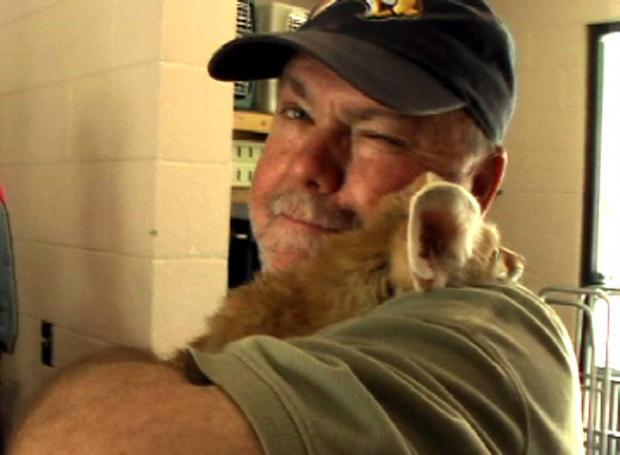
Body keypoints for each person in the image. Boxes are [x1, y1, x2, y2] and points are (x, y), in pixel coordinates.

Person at [9, 0, 582, 453]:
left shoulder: (489, 340)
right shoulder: (322, 321)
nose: (306, 166)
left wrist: (113, 376)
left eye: (379, 135)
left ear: (478, 186)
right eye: (296, 113)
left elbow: (86, 442)